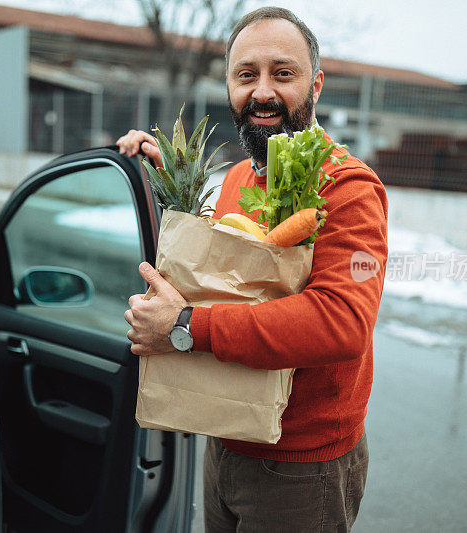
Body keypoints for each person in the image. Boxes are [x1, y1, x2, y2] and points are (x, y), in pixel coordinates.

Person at [117, 7, 387, 532]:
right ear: (229, 86)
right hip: (225, 432)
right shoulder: (240, 176)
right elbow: (222, 278)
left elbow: (344, 322)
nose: (262, 92)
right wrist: (163, 174)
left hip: (304, 470)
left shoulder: (351, 189)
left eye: (283, 74)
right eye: (246, 75)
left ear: (316, 86)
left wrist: (185, 325)